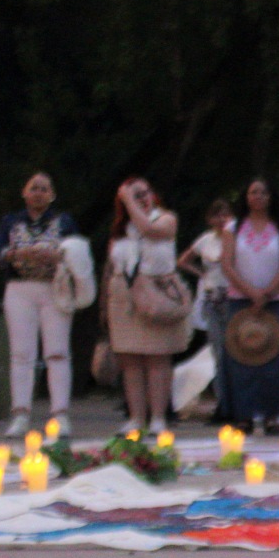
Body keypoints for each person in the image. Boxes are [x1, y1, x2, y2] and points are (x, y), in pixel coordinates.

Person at [218, 178, 279, 434]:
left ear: (271, 197)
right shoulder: (233, 228)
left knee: (277, 358)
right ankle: (243, 414)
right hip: (240, 300)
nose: (258, 196)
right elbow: (227, 264)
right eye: (253, 192)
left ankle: (273, 415)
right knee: (241, 358)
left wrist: (267, 293)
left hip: (275, 301)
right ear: (245, 197)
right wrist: (250, 292)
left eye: (263, 192)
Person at [0, 171, 78, 437]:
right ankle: (20, 414)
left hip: (55, 288)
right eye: (34, 188)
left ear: (52, 195)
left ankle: (60, 414)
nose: (38, 193)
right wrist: (19, 253)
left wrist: (56, 256)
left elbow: (77, 253)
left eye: (44, 189)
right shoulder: (11, 221)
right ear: (24, 192)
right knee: (21, 354)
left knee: (57, 352)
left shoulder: (63, 221)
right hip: (20, 289)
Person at [104, 177, 187, 435]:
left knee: (157, 358)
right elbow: (110, 265)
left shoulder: (165, 219)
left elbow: (150, 231)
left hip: (156, 292)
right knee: (130, 360)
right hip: (123, 296)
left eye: (144, 193)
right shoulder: (121, 230)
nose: (141, 199)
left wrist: (129, 199)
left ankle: (159, 418)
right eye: (134, 195)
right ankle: (136, 418)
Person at [178, 198, 238, 424]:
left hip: (233, 296)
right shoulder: (205, 240)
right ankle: (222, 402)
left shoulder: (236, 238)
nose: (221, 220)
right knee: (218, 352)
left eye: (226, 215)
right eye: (217, 215)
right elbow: (183, 260)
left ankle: (237, 403)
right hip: (213, 298)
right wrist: (202, 274)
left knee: (236, 352)